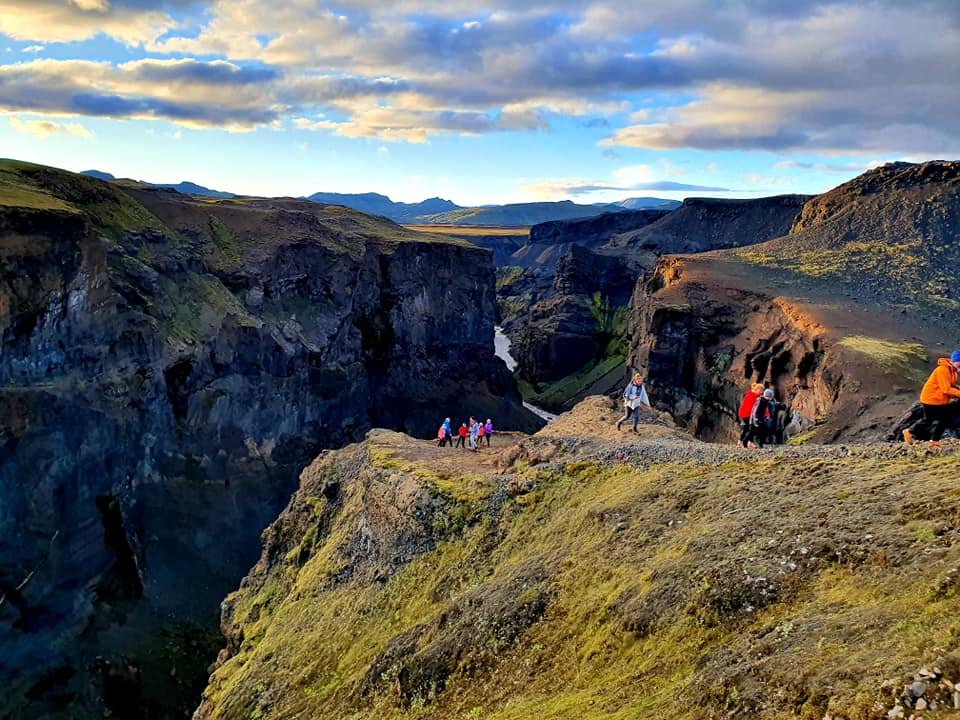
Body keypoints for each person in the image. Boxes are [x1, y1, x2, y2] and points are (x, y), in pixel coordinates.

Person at [906, 350, 960, 446]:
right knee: (941, 419)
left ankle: (912, 433)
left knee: (931, 419)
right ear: (955, 360)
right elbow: (946, 389)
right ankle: (930, 439)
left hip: (937, 399)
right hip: (932, 399)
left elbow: (952, 385)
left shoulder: (953, 371)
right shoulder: (942, 370)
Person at [737, 383, 764, 448]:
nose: (761, 392)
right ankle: (747, 443)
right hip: (746, 414)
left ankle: (741, 442)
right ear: (757, 390)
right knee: (751, 429)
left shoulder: (751, 394)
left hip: (744, 414)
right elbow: (752, 407)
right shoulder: (753, 396)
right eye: (761, 391)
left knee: (747, 429)